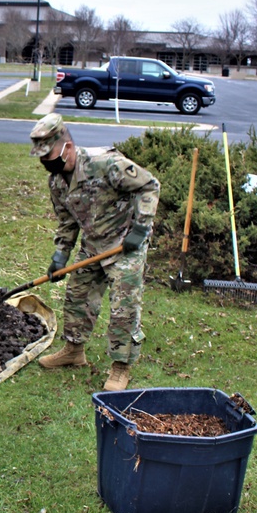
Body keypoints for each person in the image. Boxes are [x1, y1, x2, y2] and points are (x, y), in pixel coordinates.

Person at [29, 113, 160, 391]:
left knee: (123, 307)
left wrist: (141, 228)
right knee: (78, 295)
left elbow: (149, 186)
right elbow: (67, 221)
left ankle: (121, 367)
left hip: (125, 243)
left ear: (66, 147)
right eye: (42, 159)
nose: (46, 163)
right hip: (93, 245)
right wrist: (60, 255)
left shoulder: (106, 164)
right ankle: (74, 351)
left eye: (49, 156)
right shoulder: (56, 181)